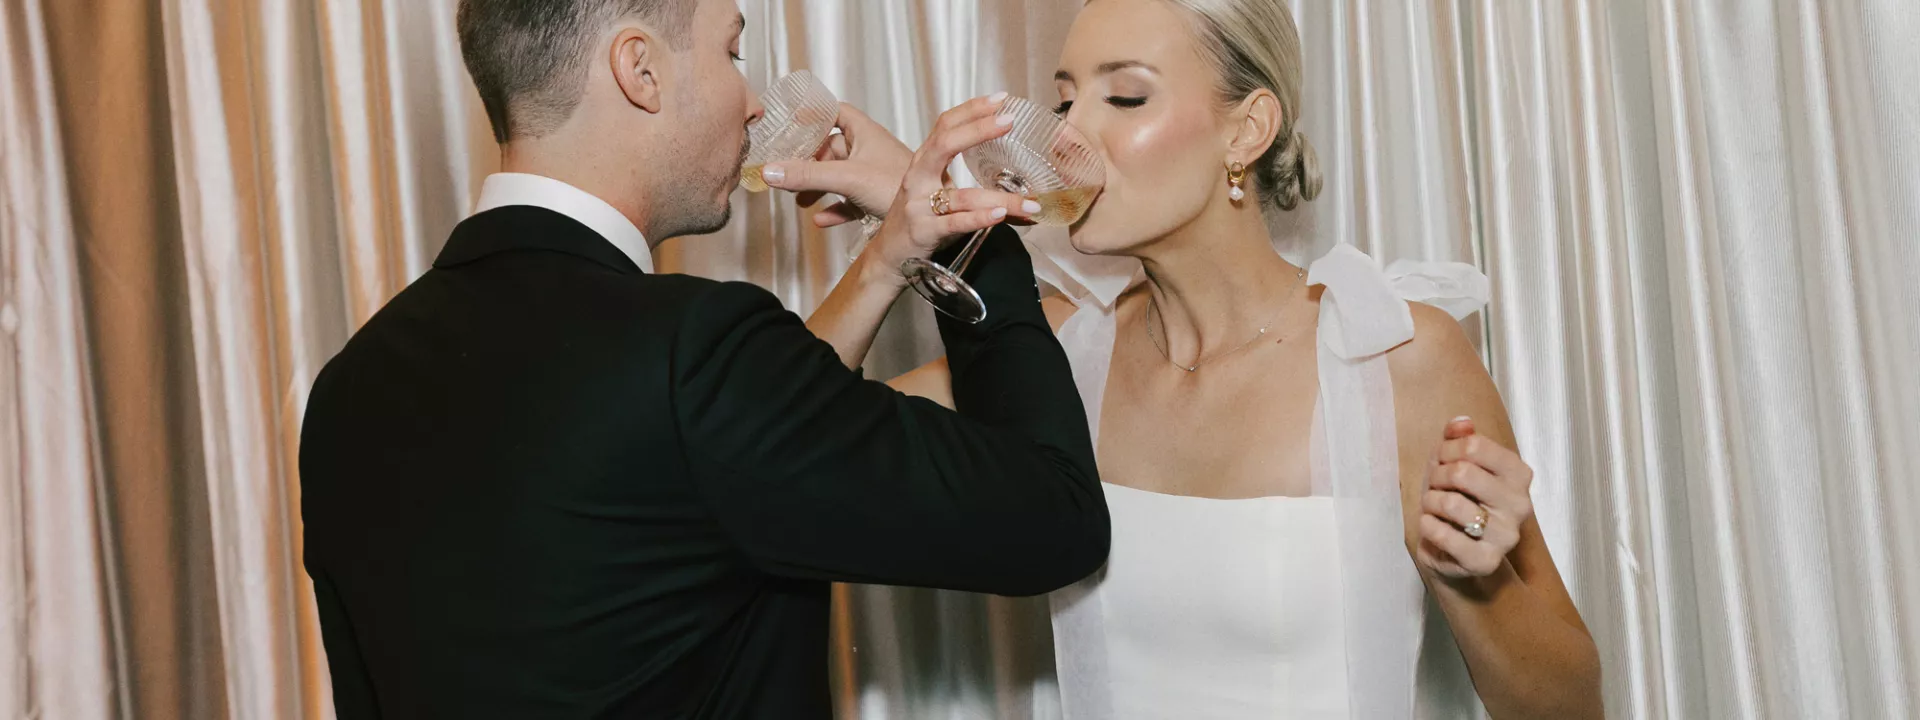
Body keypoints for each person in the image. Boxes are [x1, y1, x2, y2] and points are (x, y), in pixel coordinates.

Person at [297, 0, 1112, 717]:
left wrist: (886, 260)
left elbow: (699, 473)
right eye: (732, 50)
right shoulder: (694, 352)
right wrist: (975, 236)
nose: (753, 102)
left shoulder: (350, 389)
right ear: (640, 69)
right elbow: (1055, 520)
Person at [804, 0, 1603, 716]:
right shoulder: (1056, 359)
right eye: (1065, 102)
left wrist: (1476, 580)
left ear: (1247, 130)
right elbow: (787, 438)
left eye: (1126, 97)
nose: (1067, 138)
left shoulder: (1389, 355)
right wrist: (888, 253)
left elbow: (1571, 706)